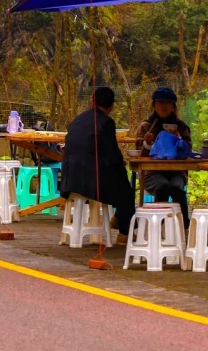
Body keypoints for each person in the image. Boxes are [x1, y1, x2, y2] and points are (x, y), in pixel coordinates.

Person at [60, 85, 134, 240]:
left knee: (120, 184)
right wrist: (122, 166)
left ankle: (119, 219)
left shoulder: (77, 120)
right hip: (89, 183)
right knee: (125, 188)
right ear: (112, 105)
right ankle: (125, 233)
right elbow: (112, 155)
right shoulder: (106, 122)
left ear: (92, 101)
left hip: (69, 179)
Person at [136, 85, 192, 227]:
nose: (164, 106)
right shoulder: (146, 126)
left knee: (176, 187)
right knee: (163, 186)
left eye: (167, 103)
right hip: (151, 173)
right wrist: (147, 143)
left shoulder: (181, 127)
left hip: (176, 172)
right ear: (154, 105)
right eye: (160, 102)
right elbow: (139, 154)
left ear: (173, 107)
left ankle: (183, 224)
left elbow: (187, 151)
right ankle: (158, 224)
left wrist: (178, 138)